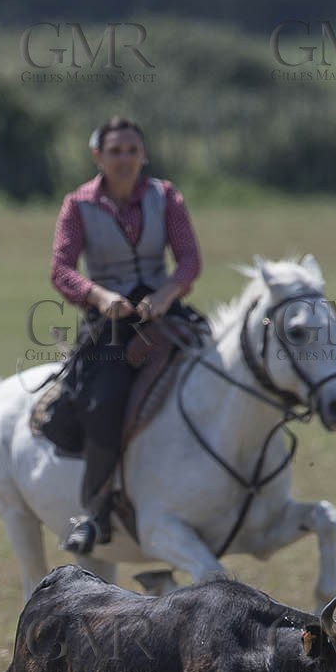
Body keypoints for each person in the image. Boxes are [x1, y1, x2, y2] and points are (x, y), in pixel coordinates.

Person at [49, 116, 204, 555]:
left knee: (220, 372)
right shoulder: (78, 204)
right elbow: (61, 269)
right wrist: (99, 297)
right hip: (110, 322)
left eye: (132, 151)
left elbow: (189, 259)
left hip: (165, 311)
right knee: (104, 403)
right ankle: (95, 512)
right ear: (97, 156)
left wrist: (167, 293)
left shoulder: (166, 197)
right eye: (115, 151)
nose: (124, 159)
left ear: (144, 155)